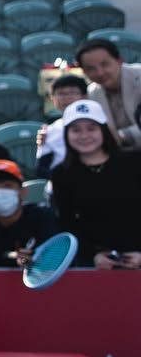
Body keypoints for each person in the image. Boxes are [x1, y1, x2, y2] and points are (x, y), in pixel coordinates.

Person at [50, 99, 141, 268]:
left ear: (103, 130)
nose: (84, 136)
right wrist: (93, 256)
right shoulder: (61, 174)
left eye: (91, 128)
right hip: (96, 263)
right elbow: (66, 222)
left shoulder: (134, 163)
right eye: (76, 130)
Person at [76, 38, 141, 151]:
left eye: (105, 64)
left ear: (120, 61)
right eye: (91, 69)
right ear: (84, 72)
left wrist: (122, 135)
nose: (100, 73)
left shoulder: (139, 76)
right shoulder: (92, 93)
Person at [36, 73, 88, 178]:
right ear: (52, 99)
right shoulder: (50, 130)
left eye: (72, 93)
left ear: (85, 96)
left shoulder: (98, 126)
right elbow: (41, 169)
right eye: (61, 94)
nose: (67, 98)